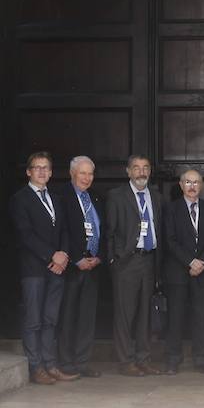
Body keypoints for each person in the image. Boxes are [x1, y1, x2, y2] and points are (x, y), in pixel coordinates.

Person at [11, 151, 77, 385]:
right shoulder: (20, 198)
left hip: (57, 269)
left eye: (46, 167)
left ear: (50, 172)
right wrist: (52, 255)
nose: (42, 171)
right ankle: (36, 367)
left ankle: (50, 364)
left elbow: (65, 231)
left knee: (50, 319)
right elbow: (25, 234)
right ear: (29, 172)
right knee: (34, 320)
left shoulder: (56, 198)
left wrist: (64, 256)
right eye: (37, 167)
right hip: (34, 270)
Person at [105, 154, 163, 377]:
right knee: (124, 314)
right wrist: (113, 260)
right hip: (126, 262)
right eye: (137, 168)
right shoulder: (116, 196)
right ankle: (125, 360)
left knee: (145, 315)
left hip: (149, 260)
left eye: (146, 167)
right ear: (128, 171)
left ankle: (143, 358)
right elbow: (109, 232)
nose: (142, 172)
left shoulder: (156, 196)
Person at [163, 169, 204, 375]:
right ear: (181, 185)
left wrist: (202, 261)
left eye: (196, 182)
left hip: (202, 272)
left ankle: (202, 359)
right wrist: (190, 262)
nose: (192, 186)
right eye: (188, 182)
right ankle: (172, 359)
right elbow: (170, 240)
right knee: (175, 317)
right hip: (178, 271)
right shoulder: (171, 209)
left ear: (202, 185)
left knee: (201, 317)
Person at [56, 156, 103, 378]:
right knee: (68, 316)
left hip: (93, 266)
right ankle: (66, 363)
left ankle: (82, 361)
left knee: (87, 317)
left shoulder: (94, 196)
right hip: (73, 266)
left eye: (90, 173)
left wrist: (99, 256)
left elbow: (103, 227)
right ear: (72, 173)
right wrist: (76, 258)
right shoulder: (61, 196)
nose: (87, 178)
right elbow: (62, 231)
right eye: (82, 173)